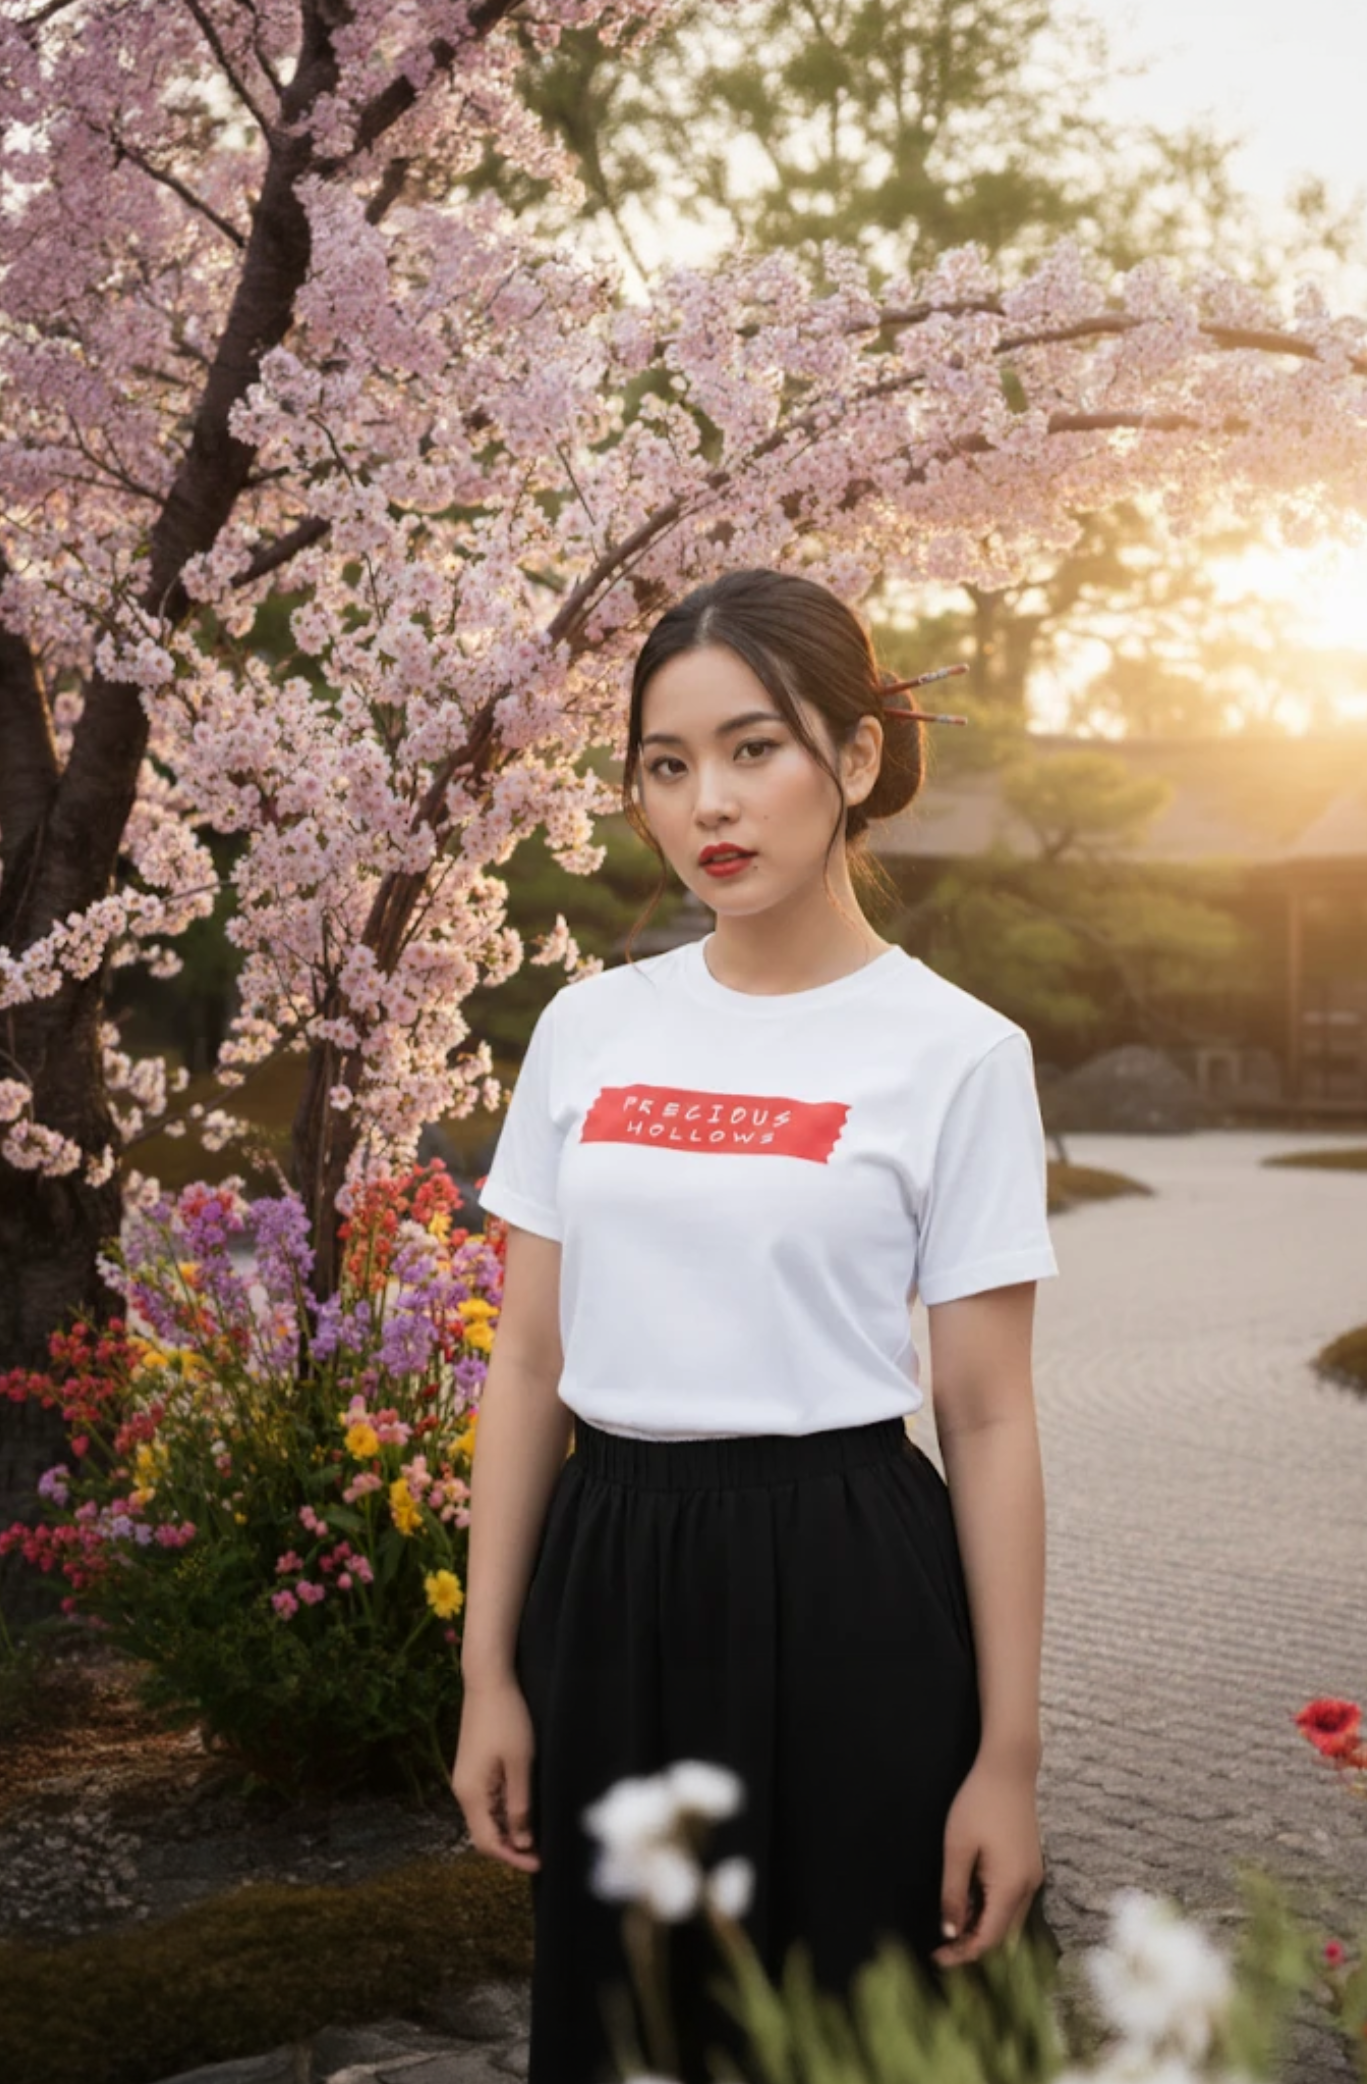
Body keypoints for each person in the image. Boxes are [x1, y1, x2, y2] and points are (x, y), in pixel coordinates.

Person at [450, 567, 1057, 2084]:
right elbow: (527, 1365)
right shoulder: (590, 1028)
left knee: (857, 2038)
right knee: (633, 2035)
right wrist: (488, 1673)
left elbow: (987, 1416)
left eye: (753, 748)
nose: (708, 803)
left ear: (854, 757)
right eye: (667, 766)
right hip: (610, 1584)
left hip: (850, 1584)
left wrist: (1007, 1758)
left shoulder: (959, 1054)